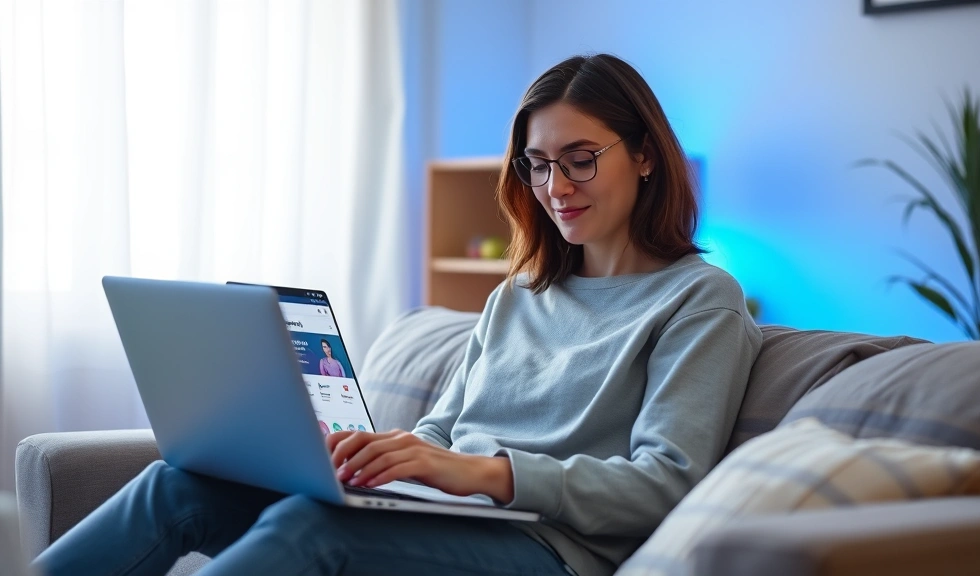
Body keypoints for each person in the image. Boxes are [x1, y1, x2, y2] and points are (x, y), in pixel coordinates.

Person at [31, 53, 761, 576]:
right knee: (176, 484)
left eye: (579, 158)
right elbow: (444, 428)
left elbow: (665, 482)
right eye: (536, 164)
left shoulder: (700, 299)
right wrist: (385, 459)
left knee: (305, 529)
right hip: (453, 515)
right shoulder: (519, 295)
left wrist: (482, 473)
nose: (554, 186)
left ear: (643, 156)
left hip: (555, 547)